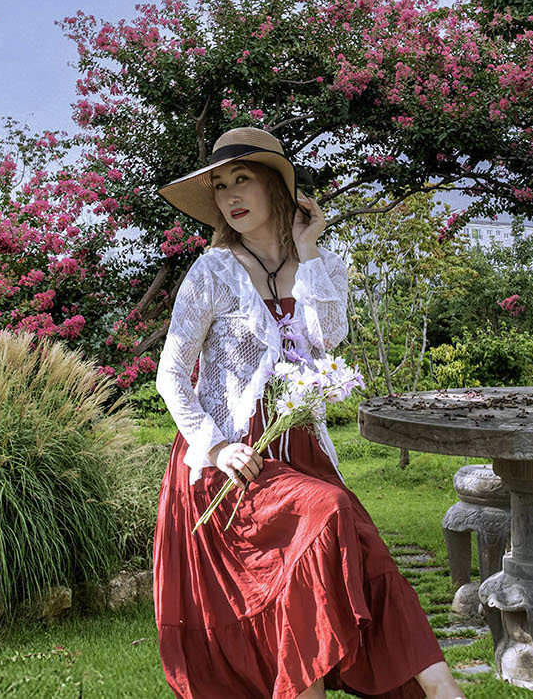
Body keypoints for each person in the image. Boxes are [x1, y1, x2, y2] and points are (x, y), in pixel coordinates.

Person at [152, 127, 465, 699]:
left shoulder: (322, 264)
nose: (229, 196)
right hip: (234, 460)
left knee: (367, 554)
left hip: (303, 449)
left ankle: (445, 693)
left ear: (277, 186)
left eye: (242, 179)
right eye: (220, 186)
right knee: (329, 514)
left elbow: (328, 336)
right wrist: (216, 447)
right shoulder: (212, 272)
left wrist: (310, 246)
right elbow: (170, 373)